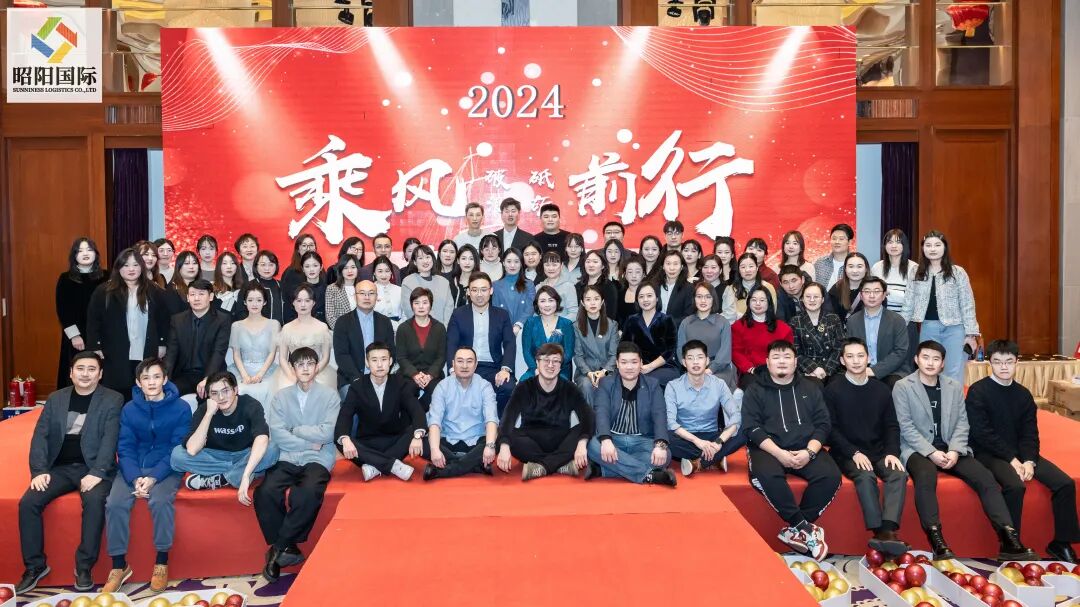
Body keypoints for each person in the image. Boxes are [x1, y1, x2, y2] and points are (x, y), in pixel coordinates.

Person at [893, 340, 1034, 560]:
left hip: (952, 447)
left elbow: (962, 422)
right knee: (925, 477)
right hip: (918, 449)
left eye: (936, 359)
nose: (930, 363)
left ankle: (1008, 538)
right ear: (916, 360)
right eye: (925, 357)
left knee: (985, 478)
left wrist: (955, 450)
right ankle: (937, 540)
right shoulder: (903, 386)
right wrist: (931, 453)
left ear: (943, 363)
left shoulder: (953, 386)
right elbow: (906, 427)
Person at [16, 352, 123, 593]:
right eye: (80, 368)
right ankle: (34, 566)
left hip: (92, 467)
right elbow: (41, 436)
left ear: (100, 374)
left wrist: (98, 472)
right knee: (28, 503)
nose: (85, 374)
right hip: (59, 468)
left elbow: (111, 438)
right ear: (71, 373)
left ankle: (84, 566)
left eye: (92, 369)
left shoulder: (112, 399)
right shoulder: (56, 398)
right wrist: (39, 471)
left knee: (95, 502)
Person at [966, 339, 1080, 563]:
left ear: (1017, 362)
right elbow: (982, 433)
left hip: (1020, 452)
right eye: (998, 362)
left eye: (1009, 362)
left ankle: (1061, 542)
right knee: (1015, 485)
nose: (1004, 367)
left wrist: (1029, 461)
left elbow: (1030, 433)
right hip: (989, 453)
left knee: (1065, 483)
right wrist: (1012, 460)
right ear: (990, 363)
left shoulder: (1023, 394)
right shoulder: (978, 391)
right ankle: (1010, 543)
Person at [742, 340, 840, 561]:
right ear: (767, 362)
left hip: (805, 447)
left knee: (830, 476)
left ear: (796, 362)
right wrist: (779, 453)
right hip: (768, 449)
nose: (782, 362)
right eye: (776, 357)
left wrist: (810, 452)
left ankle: (794, 531)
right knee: (766, 475)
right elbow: (751, 428)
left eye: (787, 357)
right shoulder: (755, 389)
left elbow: (823, 424)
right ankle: (803, 527)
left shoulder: (811, 387)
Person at [102, 358, 191, 593]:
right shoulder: (129, 409)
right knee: (114, 503)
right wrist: (134, 477)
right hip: (132, 468)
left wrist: (153, 477)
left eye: (156, 377)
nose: (151, 382)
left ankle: (162, 562)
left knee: (160, 501)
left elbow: (176, 448)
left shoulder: (181, 408)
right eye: (146, 378)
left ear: (165, 379)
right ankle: (119, 566)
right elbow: (125, 447)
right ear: (138, 382)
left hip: (166, 467)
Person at [256, 347, 340, 582]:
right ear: (292, 369)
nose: (305, 368)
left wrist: (296, 430)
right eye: (300, 364)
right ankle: (288, 548)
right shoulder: (281, 397)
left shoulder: (330, 396)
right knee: (265, 492)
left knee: (307, 493)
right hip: (288, 456)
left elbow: (328, 432)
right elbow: (278, 434)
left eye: (309, 364)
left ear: (317, 367)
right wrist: (307, 442)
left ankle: (278, 548)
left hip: (318, 458)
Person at [824, 338, 909, 556]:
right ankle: (880, 531)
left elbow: (891, 425)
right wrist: (853, 452)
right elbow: (830, 430)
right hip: (847, 452)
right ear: (842, 361)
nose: (856, 361)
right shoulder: (833, 390)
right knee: (865, 475)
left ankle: (887, 529)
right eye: (850, 356)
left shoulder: (881, 389)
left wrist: (892, 452)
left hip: (878, 450)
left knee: (898, 474)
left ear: (868, 358)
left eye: (860, 356)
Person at [169, 371, 277, 495]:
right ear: (209, 396)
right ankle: (236, 474)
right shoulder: (204, 410)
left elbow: (262, 437)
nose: (221, 397)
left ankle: (221, 478)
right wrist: (209, 414)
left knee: (272, 449)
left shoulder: (250, 405)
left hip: (244, 454)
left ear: (235, 390)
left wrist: (246, 475)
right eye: (214, 393)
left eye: (225, 391)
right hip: (214, 456)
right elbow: (192, 449)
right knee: (177, 455)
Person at [497, 343, 594, 480]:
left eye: (556, 361)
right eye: (546, 360)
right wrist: (504, 445)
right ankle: (559, 465)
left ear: (560, 366)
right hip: (531, 443)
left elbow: (587, 416)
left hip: (561, 441)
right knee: (508, 434)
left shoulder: (569, 388)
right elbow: (508, 417)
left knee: (584, 428)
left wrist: (582, 443)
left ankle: (543, 467)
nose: (550, 365)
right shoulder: (524, 387)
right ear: (537, 363)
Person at [586, 343, 676, 486]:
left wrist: (660, 445)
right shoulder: (606, 383)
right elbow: (601, 412)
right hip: (614, 439)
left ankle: (603, 470)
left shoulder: (652, 385)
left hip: (641, 440)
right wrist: (606, 440)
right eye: (624, 362)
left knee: (666, 455)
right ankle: (650, 475)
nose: (629, 367)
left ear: (641, 363)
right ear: (617, 364)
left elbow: (660, 415)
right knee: (592, 444)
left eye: (634, 362)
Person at [86, 248, 170, 396]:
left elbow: (163, 319)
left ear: (142, 267)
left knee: (143, 388)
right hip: (114, 350)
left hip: (145, 347)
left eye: (136, 265)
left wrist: (162, 343)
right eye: (126, 265)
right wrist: (95, 346)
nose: (131, 269)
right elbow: (93, 320)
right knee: (116, 389)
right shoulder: (104, 291)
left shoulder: (153, 290)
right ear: (118, 267)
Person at [337, 342, 425, 481]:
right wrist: (345, 439)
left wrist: (418, 436)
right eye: (374, 360)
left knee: (415, 430)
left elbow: (416, 410)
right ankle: (392, 464)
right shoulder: (357, 386)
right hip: (367, 443)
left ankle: (374, 466)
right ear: (367, 363)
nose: (379, 365)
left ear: (390, 361)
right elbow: (345, 415)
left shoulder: (400, 382)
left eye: (384, 359)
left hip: (394, 441)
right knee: (341, 439)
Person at [900, 231, 980, 382]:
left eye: (937, 245)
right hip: (928, 327)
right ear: (923, 248)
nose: (932, 249)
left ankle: (953, 398)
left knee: (953, 372)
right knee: (928, 370)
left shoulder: (958, 272)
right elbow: (908, 302)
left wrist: (971, 334)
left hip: (955, 329)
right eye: (928, 245)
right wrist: (899, 327)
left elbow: (967, 304)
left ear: (945, 247)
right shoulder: (916, 272)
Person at [665, 340, 744, 476]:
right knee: (664, 436)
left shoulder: (719, 384)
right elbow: (671, 423)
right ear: (684, 362)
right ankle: (715, 459)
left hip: (712, 436)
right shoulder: (673, 386)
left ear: (707, 361)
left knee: (746, 428)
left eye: (700, 357)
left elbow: (735, 415)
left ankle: (698, 462)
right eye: (690, 358)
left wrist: (719, 442)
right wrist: (697, 442)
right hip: (686, 438)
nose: (695, 362)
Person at [422, 347, 499, 481]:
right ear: (453, 364)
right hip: (447, 442)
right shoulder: (442, 386)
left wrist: (489, 445)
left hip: (476, 443)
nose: (464, 366)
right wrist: (434, 450)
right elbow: (434, 421)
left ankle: (441, 471)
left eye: (469, 361)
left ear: (475, 365)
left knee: (498, 439)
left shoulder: (485, 386)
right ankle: (474, 465)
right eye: (460, 361)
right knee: (421, 442)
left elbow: (491, 419)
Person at [446, 273, 516, 414]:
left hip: (493, 367)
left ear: (491, 291)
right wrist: (454, 370)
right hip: (466, 366)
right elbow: (451, 344)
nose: (479, 294)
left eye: (483, 290)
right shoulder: (458, 314)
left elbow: (510, 343)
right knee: (456, 388)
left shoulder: (502, 315)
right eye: (474, 290)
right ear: (468, 292)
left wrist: (505, 369)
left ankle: (496, 421)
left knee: (508, 387)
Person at [164, 279, 232, 400]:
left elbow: (218, 353)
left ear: (211, 297)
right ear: (188, 298)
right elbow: (171, 353)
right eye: (192, 294)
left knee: (207, 397)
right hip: (184, 374)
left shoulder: (222, 320)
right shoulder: (177, 320)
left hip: (212, 374)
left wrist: (207, 379)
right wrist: (164, 377)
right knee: (166, 395)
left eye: (201, 294)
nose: (196, 298)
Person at [55, 237, 107, 388]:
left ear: (95, 254)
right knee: (77, 370)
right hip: (76, 337)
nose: (85, 253)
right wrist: (74, 335)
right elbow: (63, 310)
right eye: (80, 250)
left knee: (101, 371)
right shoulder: (66, 278)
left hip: (101, 333)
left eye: (89, 250)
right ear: (74, 255)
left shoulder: (107, 276)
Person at [333, 280, 395, 400]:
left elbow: (391, 351)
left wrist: (379, 377)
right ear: (355, 296)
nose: (367, 297)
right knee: (354, 403)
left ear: (376, 297)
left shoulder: (385, 321)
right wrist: (358, 379)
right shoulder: (343, 322)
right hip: (351, 378)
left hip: (380, 378)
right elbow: (341, 355)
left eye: (371, 293)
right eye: (362, 293)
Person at [847, 277, 911, 387]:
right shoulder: (852, 321)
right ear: (861, 296)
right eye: (867, 291)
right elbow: (850, 349)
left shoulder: (897, 320)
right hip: (860, 369)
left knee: (895, 385)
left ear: (884, 295)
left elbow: (900, 351)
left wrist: (875, 370)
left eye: (877, 291)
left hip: (892, 371)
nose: (872, 296)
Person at [271, 284, 336, 392]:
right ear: (293, 303)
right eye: (299, 300)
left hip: (317, 372)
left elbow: (325, 358)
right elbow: (282, 358)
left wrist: (312, 374)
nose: (303, 304)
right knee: (286, 388)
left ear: (313, 303)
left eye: (307, 300)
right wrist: (293, 377)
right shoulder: (287, 328)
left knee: (321, 388)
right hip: (293, 372)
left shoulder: (322, 327)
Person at [227, 282, 281, 406]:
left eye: (259, 300)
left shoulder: (274, 324)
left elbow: (272, 353)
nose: (254, 304)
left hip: (267, 370)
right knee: (239, 390)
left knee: (269, 390)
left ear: (265, 302)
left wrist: (260, 375)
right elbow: (236, 355)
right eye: (250, 300)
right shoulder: (236, 326)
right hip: (241, 370)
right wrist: (244, 376)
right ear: (245, 302)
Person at [676, 281, 736, 390]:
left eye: (708, 297)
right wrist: (693, 368)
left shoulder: (723, 322)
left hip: (718, 371)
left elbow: (725, 354)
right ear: (694, 299)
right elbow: (680, 350)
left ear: (713, 299)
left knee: (709, 387)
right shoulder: (686, 322)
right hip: (692, 369)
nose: (703, 301)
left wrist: (709, 370)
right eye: (699, 297)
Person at [731, 286, 794, 388]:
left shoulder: (784, 328)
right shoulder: (738, 326)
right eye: (754, 300)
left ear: (769, 302)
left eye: (762, 300)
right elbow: (736, 352)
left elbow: (789, 354)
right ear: (748, 302)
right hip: (751, 373)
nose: (758, 303)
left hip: (778, 370)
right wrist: (750, 369)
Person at [395, 288, 446, 411]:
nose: (421, 306)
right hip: (409, 375)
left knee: (437, 393)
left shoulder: (439, 328)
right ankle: (414, 421)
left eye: (425, 302)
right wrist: (415, 374)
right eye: (416, 303)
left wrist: (429, 375)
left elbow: (441, 357)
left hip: (433, 374)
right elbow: (401, 357)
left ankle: (417, 418)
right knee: (406, 393)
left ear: (430, 305)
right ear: (412, 305)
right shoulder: (403, 328)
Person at [620, 282, 680, 387]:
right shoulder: (631, 320)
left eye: (649, 296)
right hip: (637, 367)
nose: (645, 300)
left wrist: (650, 366)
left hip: (664, 367)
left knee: (647, 381)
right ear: (637, 300)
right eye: (641, 296)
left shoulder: (667, 320)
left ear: (657, 298)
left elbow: (670, 351)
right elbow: (624, 347)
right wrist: (636, 365)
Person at [790, 282, 846, 385]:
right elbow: (795, 351)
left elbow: (840, 347)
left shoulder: (833, 319)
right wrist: (814, 368)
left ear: (823, 299)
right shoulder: (795, 321)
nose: (812, 300)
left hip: (833, 370)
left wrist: (826, 370)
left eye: (816, 296)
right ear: (802, 299)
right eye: (808, 297)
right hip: (807, 371)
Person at [573, 285, 619, 407]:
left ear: (602, 301)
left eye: (596, 299)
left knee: (608, 383)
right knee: (586, 385)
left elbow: (614, 355)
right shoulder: (576, 326)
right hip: (585, 373)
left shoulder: (612, 325)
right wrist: (589, 373)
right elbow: (578, 356)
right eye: (588, 299)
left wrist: (604, 372)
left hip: (608, 371)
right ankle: (590, 418)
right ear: (582, 303)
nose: (592, 303)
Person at [520, 286, 575, 381]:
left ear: (557, 302)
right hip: (536, 369)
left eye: (551, 300)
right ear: (537, 304)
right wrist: (536, 369)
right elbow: (527, 352)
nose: (547, 305)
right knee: (523, 383)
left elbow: (568, 353)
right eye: (542, 301)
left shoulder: (566, 324)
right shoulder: (530, 323)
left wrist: (553, 368)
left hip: (560, 370)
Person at [400, 245, 454, 325]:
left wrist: (443, 328)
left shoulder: (444, 282)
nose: (425, 261)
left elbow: (449, 308)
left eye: (428, 257)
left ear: (432, 259)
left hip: (442, 329)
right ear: (415, 262)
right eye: (420, 258)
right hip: (418, 329)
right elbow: (409, 310)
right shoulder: (408, 282)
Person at [721, 253, 777, 322]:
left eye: (751, 266)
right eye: (743, 267)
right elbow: (728, 316)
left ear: (757, 268)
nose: (747, 270)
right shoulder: (731, 289)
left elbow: (771, 313)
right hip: (737, 327)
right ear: (739, 270)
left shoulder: (768, 287)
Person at [492, 248, 536, 335]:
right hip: (502, 331)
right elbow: (495, 310)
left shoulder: (529, 284)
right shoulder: (495, 285)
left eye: (516, 261)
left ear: (521, 263)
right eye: (509, 261)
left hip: (524, 330)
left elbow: (530, 308)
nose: (512, 265)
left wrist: (518, 325)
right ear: (503, 263)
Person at [872, 229, 916, 315]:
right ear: (885, 245)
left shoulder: (914, 268)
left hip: (906, 318)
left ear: (904, 245)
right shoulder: (877, 267)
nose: (894, 246)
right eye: (890, 242)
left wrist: (888, 292)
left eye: (898, 242)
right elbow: (873, 296)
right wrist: (900, 294)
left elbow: (913, 299)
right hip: (881, 317)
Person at [283, 251, 327, 324]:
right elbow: (289, 315)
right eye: (307, 266)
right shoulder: (295, 291)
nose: (311, 269)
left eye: (315, 265)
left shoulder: (328, 290)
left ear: (321, 267)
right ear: (302, 269)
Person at [576, 250, 618, 321]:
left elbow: (611, 314)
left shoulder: (609, 286)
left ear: (603, 266)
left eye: (595, 262)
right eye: (588, 262)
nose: (591, 265)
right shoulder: (578, 286)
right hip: (580, 324)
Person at [656, 250, 694, 326]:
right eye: (668, 264)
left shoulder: (689, 288)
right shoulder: (655, 285)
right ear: (663, 266)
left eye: (676, 264)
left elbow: (689, 316)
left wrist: (667, 324)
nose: (672, 268)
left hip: (677, 330)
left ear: (682, 267)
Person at [828, 252, 869, 320]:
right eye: (851, 266)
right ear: (845, 269)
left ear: (866, 269)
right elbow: (830, 316)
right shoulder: (837, 289)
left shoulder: (874, 289)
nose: (855, 271)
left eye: (859, 266)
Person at [812, 223, 854, 291]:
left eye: (841, 239)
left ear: (849, 242)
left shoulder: (855, 264)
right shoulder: (820, 263)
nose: (837, 242)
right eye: (834, 238)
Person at [538, 251, 579, 320]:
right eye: (547, 265)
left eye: (554, 265)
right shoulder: (539, 287)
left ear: (561, 265)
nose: (551, 268)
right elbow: (536, 312)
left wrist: (557, 324)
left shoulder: (568, 286)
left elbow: (574, 313)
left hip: (563, 325)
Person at [324, 253, 359, 330]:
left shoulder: (362, 287)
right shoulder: (332, 289)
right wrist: (343, 331)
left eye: (353, 267)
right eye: (345, 268)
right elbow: (330, 317)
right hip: (342, 331)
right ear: (341, 270)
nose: (350, 271)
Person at [370, 255, 403, 327]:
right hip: (377, 328)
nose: (384, 275)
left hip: (399, 328)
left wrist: (400, 326)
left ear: (391, 272)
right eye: (380, 271)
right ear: (374, 273)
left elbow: (405, 313)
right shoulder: (369, 291)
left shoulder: (399, 290)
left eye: (387, 271)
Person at [164, 250, 199, 316]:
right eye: (187, 263)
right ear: (178, 266)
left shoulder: (204, 286)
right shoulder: (172, 290)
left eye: (194, 263)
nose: (191, 267)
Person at [253, 250, 284, 324]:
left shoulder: (282, 285)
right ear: (256, 266)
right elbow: (242, 312)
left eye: (271, 265)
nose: (267, 268)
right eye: (263, 265)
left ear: (276, 266)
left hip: (281, 329)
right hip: (257, 328)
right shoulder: (249, 286)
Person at [616, 255, 647, 327]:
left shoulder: (649, 294)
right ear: (625, 275)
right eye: (630, 272)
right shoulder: (619, 294)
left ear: (644, 274)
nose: (634, 276)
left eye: (637, 272)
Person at [211, 251, 242, 319]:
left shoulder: (243, 288)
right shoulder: (212, 289)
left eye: (232, 263)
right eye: (224, 263)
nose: (229, 266)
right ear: (219, 266)